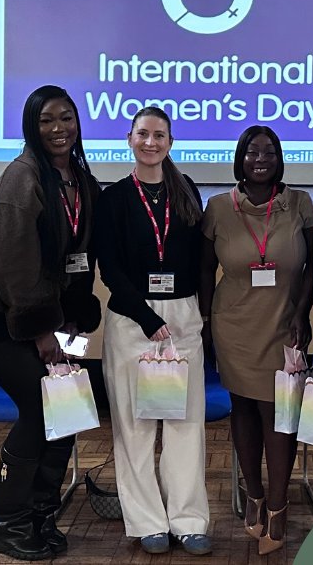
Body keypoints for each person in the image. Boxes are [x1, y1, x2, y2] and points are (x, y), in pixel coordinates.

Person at [0, 84, 102, 561]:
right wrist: (43, 331)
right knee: (42, 409)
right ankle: (6, 521)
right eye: (46, 120)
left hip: (53, 313)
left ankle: (42, 512)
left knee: (69, 407)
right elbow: (14, 265)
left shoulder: (79, 177)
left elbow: (80, 259)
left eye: (66, 118)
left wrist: (75, 327)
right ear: (31, 127)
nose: (58, 128)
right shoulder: (22, 177)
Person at [94, 106, 212, 557]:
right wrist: (149, 320)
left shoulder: (186, 192)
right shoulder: (115, 198)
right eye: (142, 133)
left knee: (184, 423)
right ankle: (146, 521)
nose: (150, 142)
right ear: (129, 138)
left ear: (170, 141)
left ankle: (188, 520)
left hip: (182, 317)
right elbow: (110, 269)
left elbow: (199, 262)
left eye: (159, 134)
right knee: (135, 425)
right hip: (131, 318)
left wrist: (190, 317)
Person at [199, 126, 313, 555]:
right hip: (234, 326)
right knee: (244, 410)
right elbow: (204, 272)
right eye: (252, 151)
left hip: (285, 324)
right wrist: (208, 322)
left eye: (269, 151)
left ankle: (280, 507)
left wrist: (303, 314)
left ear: (280, 158)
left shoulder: (300, 204)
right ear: (240, 158)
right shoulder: (217, 208)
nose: (260, 158)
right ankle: (254, 497)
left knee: (278, 415)